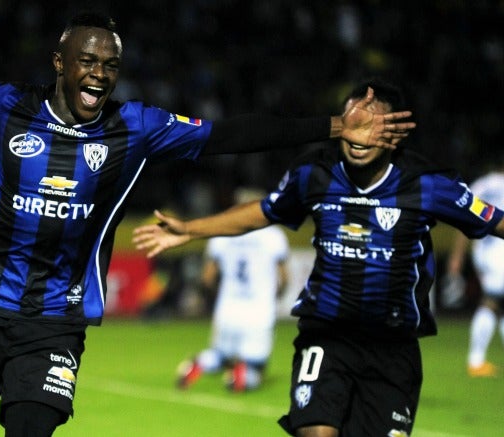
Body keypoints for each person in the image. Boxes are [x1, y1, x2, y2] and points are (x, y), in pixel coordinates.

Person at [0, 12, 416, 437]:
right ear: (60, 62)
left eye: (110, 66)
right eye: (88, 62)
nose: (99, 75)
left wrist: (335, 127)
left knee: (32, 427)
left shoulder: (135, 128)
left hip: (55, 322)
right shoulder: (7, 107)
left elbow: (231, 137)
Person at [133, 78, 504, 436]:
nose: (357, 134)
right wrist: (191, 229)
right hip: (327, 335)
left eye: (370, 123)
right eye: (351, 121)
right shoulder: (316, 174)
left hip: (393, 347)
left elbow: (493, 220)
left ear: (394, 133)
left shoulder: (426, 184)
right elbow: (264, 211)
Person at [176, 187, 289, 392]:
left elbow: (207, 277)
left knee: (220, 354)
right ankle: (241, 377)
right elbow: (283, 278)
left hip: (228, 307)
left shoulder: (220, 233)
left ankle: (198, 364)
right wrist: (278, 295)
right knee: (257, 364)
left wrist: (213, 298)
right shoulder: (273, 235)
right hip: (259, 309)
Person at [445, 164, 504, 377]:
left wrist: (458, 256)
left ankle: (477, 360)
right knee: (491, 302)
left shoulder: (481, 185)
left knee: (497, 304)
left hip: (486, 252)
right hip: (499, 251)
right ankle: (476, 361)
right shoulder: (491, 184)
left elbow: (464, 218)